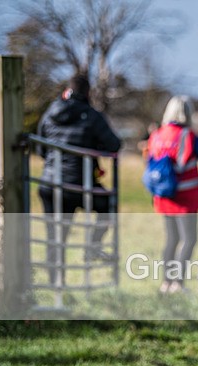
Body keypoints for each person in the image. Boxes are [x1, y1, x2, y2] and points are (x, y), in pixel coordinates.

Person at [37, 73, 121, 283]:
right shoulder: (91, 115)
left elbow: (40, 147)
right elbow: (114, 144)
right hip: (80, 184)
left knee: (55, 236)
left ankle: (56, 284)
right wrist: (94, 148)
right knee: (108, 205)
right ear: (87, 93)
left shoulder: (49, 113)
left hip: (50, 182)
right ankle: (93, 246)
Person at [145, 96, 198, 294]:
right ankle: (178, 284)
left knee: (171, 239)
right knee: (189, 239)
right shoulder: (187, 135)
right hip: (185, 197)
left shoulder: (156, 135)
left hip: (163, 195)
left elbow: (149, 160)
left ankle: (166, 283)